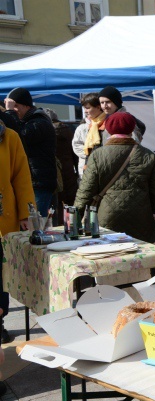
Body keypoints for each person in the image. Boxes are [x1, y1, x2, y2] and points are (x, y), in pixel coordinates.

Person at [74, 112, 155, 243]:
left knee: (111, 257)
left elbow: (86, 190)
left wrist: (77, 216)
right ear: (132, 128)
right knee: (142, 257)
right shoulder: (147, 155)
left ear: (108, 130)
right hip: (140, 214)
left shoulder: (98, 155)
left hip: (108, 215)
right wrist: (151, 210)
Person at [0, 119, 35, 344]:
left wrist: (26, 214)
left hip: (4, 219)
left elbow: (21, 177)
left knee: (0, 275)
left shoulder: (9, 136)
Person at [3, 87, 57, 217]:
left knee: (35, 224)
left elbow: (21, 136)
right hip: (32, 181)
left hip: (39, 183)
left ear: (26, 106)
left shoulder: (39, 121)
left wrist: (10, 112)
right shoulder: (28, 121)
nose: (14, 109)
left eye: (16, 106)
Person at [43, 108, 78, 225]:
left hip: (56, 171)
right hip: (69, 169)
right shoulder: (68, 129)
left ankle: (63, 227)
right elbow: (75, 153)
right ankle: (74, 225)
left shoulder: (47, 131)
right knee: (71, 201)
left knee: (58, 204)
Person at [72, 92, 108, 178]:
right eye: (84, 108)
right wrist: (91, 156)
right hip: (86, 168)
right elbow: (76, 146)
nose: (85, 111)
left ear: (98, 107)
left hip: (104, 169)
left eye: (88, 108)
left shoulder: (109, 124)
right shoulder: (82, 127)